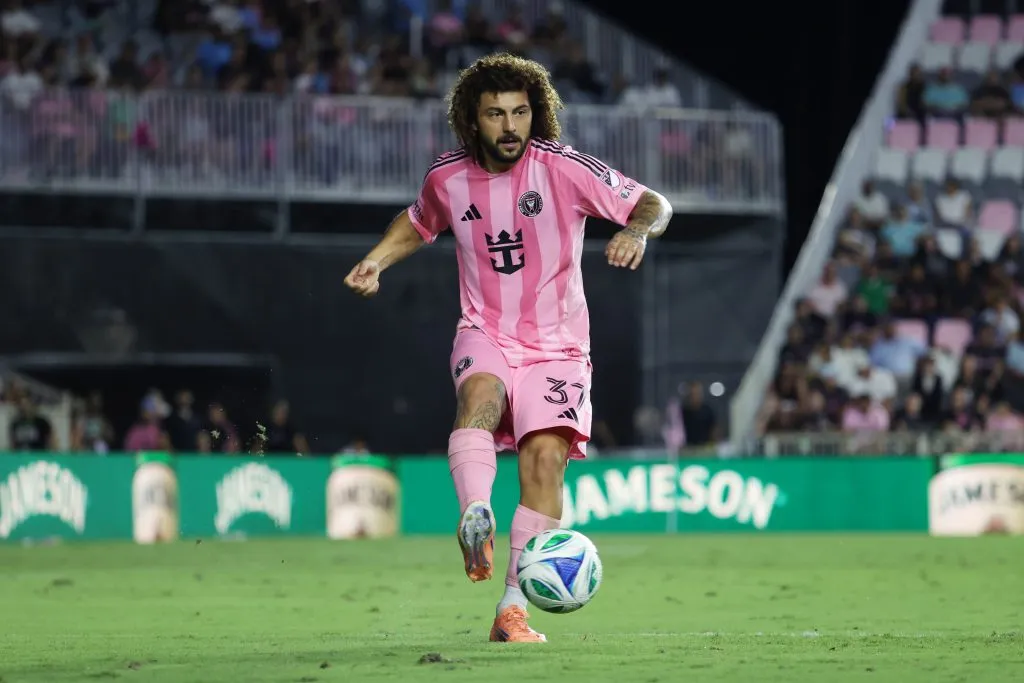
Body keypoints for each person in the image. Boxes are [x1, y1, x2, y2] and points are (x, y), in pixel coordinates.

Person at [343, 53, 672, 643]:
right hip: (485, 330)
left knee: (545, 461)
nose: (511, 126)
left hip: (559, 347)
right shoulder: (446, 177)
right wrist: (375, 260)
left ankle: (511, 607)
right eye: (496, 114)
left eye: (521, 112)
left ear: (536, 113)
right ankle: (476, 514)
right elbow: (418, 222)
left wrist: (634, 229)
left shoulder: (563, 168)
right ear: (473, 119)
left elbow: (654, 202)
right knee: (479, 397)